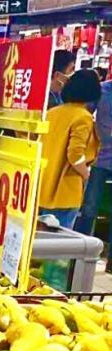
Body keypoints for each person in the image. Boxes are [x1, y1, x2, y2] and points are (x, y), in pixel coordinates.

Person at [38, 69, 102, 230]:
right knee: (61, 238)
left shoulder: (51, 113)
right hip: (66, 189)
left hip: (43, 185)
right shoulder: (83, 117)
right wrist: (85, 173)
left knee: (42, 236)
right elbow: (75, 154)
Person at [78, 74, 112, 237]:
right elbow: (84, 114)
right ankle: (79, 247)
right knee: (89, 207)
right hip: (100, 157)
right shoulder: (102, 89)